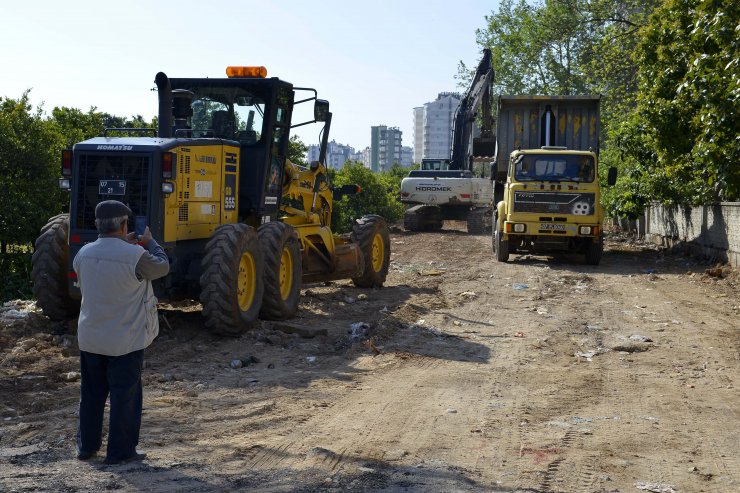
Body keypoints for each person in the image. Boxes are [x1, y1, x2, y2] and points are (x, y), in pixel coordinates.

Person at [73, 200, 169, 464]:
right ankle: (120, 451)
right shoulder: (136, 256)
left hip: (91, 338)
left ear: (97, 225)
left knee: (91, 396)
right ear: (125, 224)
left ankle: (86, 448)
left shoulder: (83, 254)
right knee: (124, 397)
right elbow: (161, 266)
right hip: (124, 341)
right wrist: (150, 242)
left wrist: (123, 244)